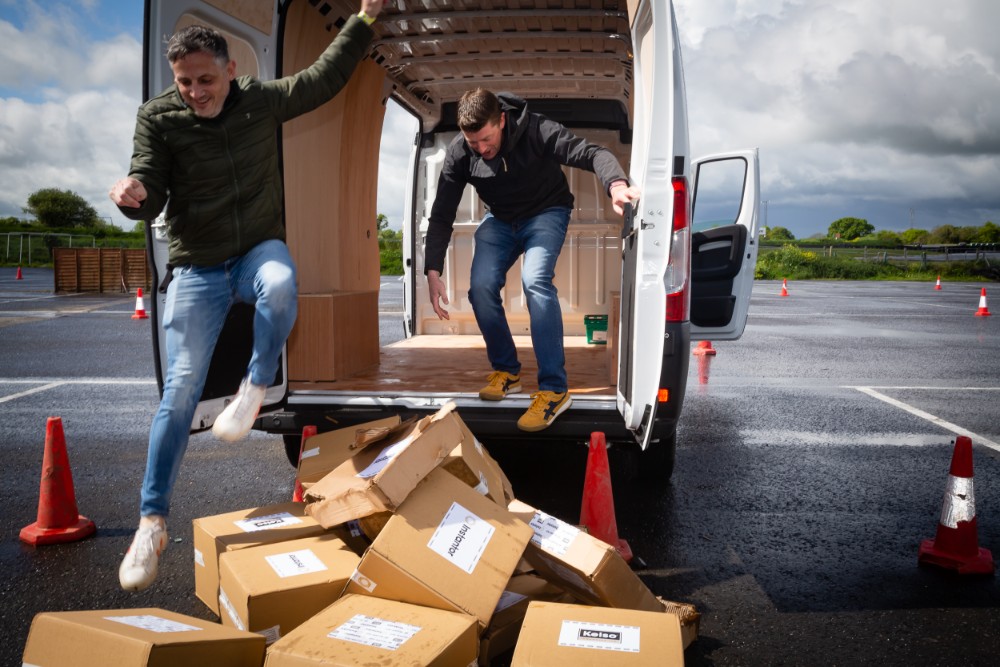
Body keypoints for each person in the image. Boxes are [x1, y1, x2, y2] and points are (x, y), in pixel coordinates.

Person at [108, 0, 384, 592]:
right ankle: (151, 522)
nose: (195, 93)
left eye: (205, 80)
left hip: (257, 248)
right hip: (198, 267)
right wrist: (134, 193)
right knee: (178, 393)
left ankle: (255, 388)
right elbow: (151, 185)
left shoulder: (260, 101)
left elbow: (322, 79)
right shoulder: (159, 119)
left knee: (283, 283)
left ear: (231, 70)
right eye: (185, 83)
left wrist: (362, 20)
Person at [424, 88, 640, 433]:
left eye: (486, 139)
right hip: (501, 219)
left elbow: (592, 153)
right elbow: (442, 212)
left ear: (502, 120)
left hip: (546, 212)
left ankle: (554, 389)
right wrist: (432, 269)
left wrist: (615, 185)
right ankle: (508, 371)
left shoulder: (537, 130)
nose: (481, 149)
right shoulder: (460, 152)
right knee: (479, 288)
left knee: (535, 281)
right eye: (473, 142)